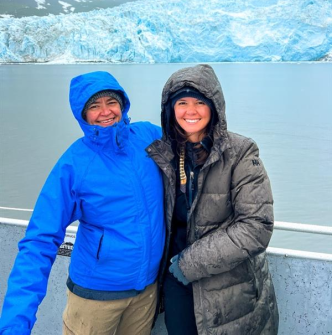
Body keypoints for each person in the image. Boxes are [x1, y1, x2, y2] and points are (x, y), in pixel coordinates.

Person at [0, 71, 165, 335]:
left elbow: (191, 139)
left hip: (146, 294)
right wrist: (14, 324)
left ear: (122, 104)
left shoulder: (147, 137)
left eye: (111, 102)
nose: (105, 111)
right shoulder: (75, 164)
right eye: (93, 106)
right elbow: (39, 240)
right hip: (95, 299)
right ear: (82, 114)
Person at [146, 64, 279, 335]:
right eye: (181, 102)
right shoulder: (164, 154)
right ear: (170, 109)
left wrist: (190, 263)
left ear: (214, 106)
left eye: (199, 102)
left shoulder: (240, 153)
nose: (190, 111)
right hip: (176, 284)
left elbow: (256, 227)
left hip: (228, 288)